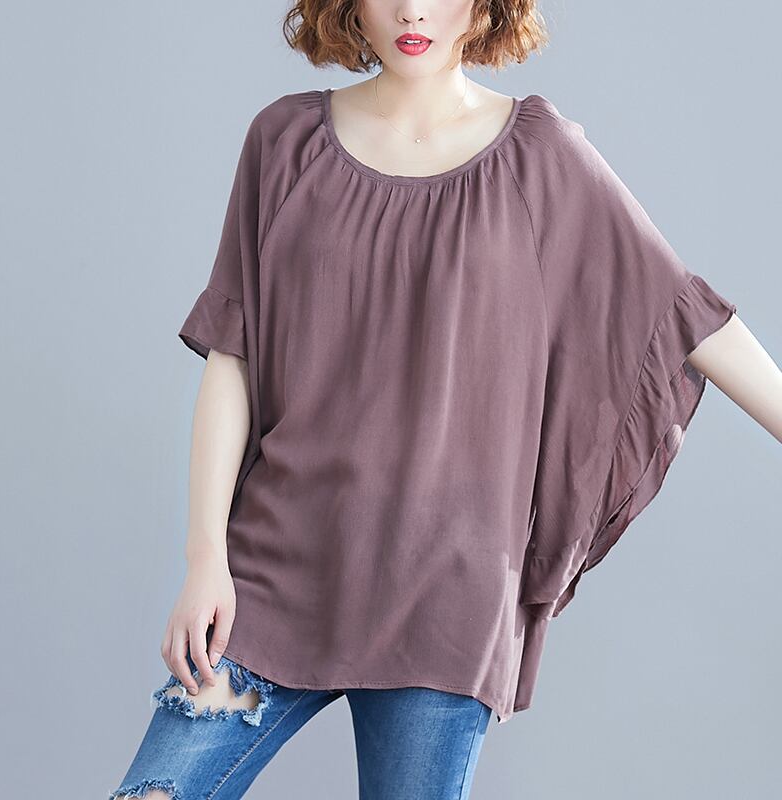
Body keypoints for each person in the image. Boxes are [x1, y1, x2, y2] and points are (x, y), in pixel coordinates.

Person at [109, 2, 780, 799]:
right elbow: (234, 357)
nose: (413, 9)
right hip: (275, 573)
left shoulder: (542, 154)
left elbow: (681, 312)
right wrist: (205, 561)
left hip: (445, 595)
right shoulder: (283, 141)